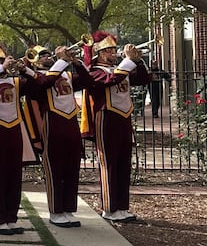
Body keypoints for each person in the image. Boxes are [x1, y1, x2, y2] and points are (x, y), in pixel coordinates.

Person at [0, 44, 42, 235]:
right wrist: (1, 69)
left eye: (2, 61)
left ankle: (11, 217)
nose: (0, 65)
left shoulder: (15, 82)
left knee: (14, 177)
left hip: (15, 132)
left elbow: (38, 85)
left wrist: (24, 69)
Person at [83, 31, 149, 222]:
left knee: (123, 163)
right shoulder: (95, 72)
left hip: (123, 118)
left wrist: (137, 61)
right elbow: (112, 80)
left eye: (114, 49)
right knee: (109, 163)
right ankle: (109, 208)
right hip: (106, 118)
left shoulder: (121, 68)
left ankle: (122, 207)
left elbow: (143, 79)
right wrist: (128, 61)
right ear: (101, 53)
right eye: (110, 50)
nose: (114, 53)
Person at [26, 45, 94, 227]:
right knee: (55, 169)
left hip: (71, 123)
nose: (48, 57)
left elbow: (88, 81)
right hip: (52, 123)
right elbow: (45, 83)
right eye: (43, 55)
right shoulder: (35, 76)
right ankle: (56, 211)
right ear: (34, 60)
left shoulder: (66, 75)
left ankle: (69, 209)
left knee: (72, 167)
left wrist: (76, 63)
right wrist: (62, 61)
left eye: (49, 54)